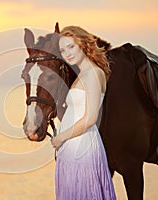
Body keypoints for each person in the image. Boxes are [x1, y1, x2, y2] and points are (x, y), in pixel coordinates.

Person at [51, 26, 116, 200]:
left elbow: (90, 118)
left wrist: (61, 137)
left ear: (83, 44)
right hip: (71, 149)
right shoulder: (82, 75)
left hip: (83, 149)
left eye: (71, 46)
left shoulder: (94, 74)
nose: (67, 53)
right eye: (62, 50)